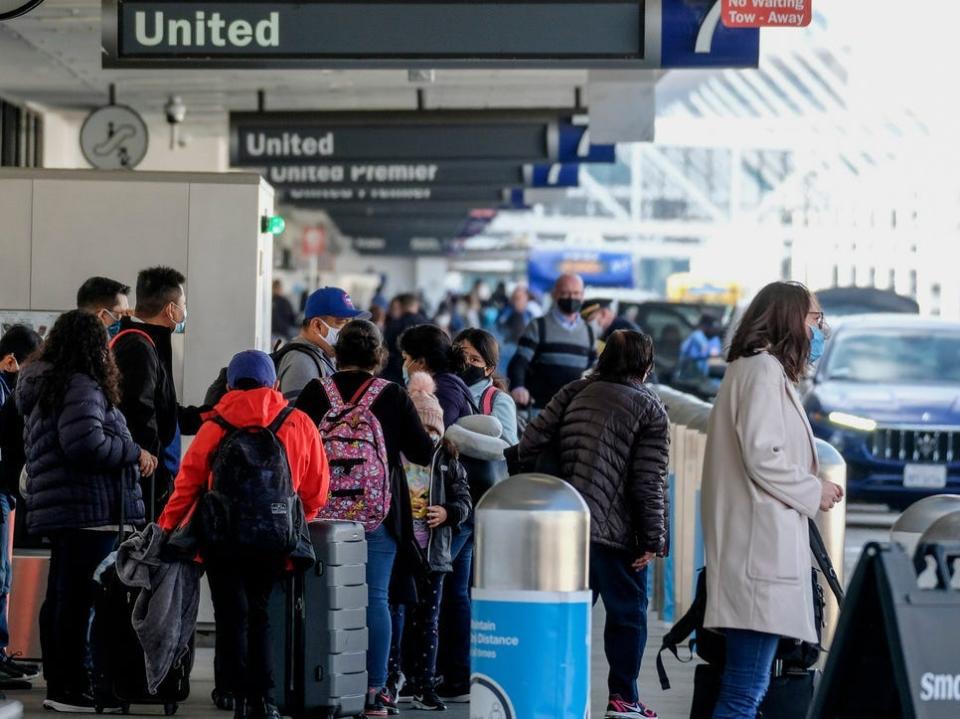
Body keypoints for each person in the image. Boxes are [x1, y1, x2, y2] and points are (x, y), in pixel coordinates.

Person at [158, 350, 329, 719]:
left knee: (230, 615)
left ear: (230, 384)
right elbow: (317, 489)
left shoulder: (215, 424)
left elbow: (186, 486)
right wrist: (295, 520)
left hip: (221, 539)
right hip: (274, 537)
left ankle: (233, 694)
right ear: (275, 384)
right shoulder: (297, 422)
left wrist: (166, 528)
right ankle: (263, 699)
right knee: (261, 612)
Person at [700, 282, 844, 719]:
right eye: (814, 319)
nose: (820, 329)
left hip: (756, 555)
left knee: (748, 684)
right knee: (746, 689)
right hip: (759, 560)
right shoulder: (762, 371)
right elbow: (764, 455)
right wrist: (811, 490)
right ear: (788, 319)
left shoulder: (754, 369)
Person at [517, 330, 669, 719]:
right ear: (646, 365)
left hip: (566, 527)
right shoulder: (650, 408)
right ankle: (623, 698)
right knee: (628, 616)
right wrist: (653, 538)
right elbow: (648, 480)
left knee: (567, 616)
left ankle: (554, 692)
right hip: (618, 536)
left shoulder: (573, 391)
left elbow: (528, 444)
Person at [295, 320, 435, 718]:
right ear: (378, 355)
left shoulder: (314, 392)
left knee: (322, 599)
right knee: (376, 599)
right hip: (377, 516)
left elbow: (297, 443)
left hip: (321, 517)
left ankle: (322, 683)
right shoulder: (391, 396)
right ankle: (375, 691)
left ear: (336, 355)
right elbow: (423, 452)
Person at [17, 310, 151, 713]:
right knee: (78, 602)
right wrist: (134, 451)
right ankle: (71, 687)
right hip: (87, 508)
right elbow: (85, 444)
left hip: (68, 507)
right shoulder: (80, 384)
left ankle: (62, 684)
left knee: (63, 599)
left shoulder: (51, 382)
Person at [388, 371, 471, 711]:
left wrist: (449, 512)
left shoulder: (448, 460)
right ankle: (396, 680)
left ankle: (425, 683)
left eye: (434, 430)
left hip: (434, 554)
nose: (428, 436)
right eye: (421, 428)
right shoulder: (394, 459)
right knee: (398, 617)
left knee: (429, 622)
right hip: (402, 552)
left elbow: (465, 502)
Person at [112, 266, 185, 518]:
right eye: (182, 305)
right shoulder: (138, 347)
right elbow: (140, 412)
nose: (184, 312)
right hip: (145, 479)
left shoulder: (150, 343)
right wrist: (159, 478)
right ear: (170, 310)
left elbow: (164, 406)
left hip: (149, 475)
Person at [0, 325, 43, 684]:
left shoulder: (7, 387)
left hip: (5, 489)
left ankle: (0, 654)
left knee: (2, 574)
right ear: (10, 360)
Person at [508, 273, 597, 412]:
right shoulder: (538, 326)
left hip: (573, 410)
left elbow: (593, 368)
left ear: (582, 295)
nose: (571, 298)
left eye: (576, 293)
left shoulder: (589, 331)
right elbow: (519, 362)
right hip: (540, 408)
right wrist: (519, 387)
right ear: (555, 294)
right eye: (565, 293)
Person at [278, 287, 370, 401]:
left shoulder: (321, 357)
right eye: (342, 322)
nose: (349, 330)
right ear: (317, 325)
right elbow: (299, 417)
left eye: (350, 322)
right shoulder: (302, 362)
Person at [399, 324, 474, 429]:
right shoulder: (448, 383)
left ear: (421, 362)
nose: (404, 365)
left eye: (406, 358)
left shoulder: (444, 391)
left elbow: (429, 439)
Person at [453, 328, 518, 445]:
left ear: (488, 369)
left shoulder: (498, 401)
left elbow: (508, 450)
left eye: (474, 359)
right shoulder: (441, 389)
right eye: (462, 356)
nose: (466, 362)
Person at [382, 294, 426, 385]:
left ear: (400, 305)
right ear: (415, 305)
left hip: (393, 375)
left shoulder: (394, 324)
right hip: (419, 376)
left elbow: (385, 349)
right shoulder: (427, 324)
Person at [270, 279, 298, 344]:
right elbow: (292, 318)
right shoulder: (284, 301)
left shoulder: (269, 301)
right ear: (280, 288)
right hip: (284, 331)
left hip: (272, 331)